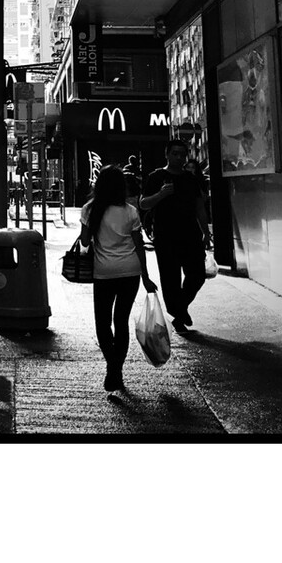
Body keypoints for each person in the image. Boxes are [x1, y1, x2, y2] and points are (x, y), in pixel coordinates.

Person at [80, 164, 157, 393]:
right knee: (121, 321)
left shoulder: (90, 209)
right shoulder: (131, 211)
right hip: (130, 272)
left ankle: (112, 368)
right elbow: (139, 246)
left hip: (103, 272)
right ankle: (116, 369)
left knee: (102, 323)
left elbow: (84, 242)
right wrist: (146, 277)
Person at [140, 139, 212, 333]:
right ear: (167, 154)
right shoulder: (157, 177)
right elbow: (143, 204)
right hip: (166, 237)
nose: (179, 158)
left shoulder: (191, 179)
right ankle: (179, 312)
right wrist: (161, 195)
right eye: (175, 154)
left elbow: (199, 207)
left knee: (197, 275)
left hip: (191, 235)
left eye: (182, 154)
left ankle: (180, 310)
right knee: (170, 280)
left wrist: (206, 232)